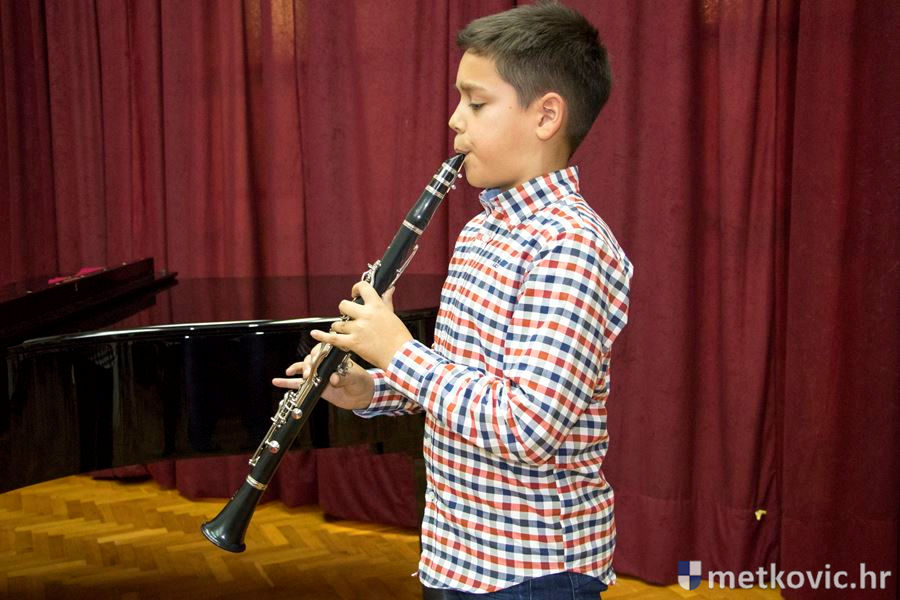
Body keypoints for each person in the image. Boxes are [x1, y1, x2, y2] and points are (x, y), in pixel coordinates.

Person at [273, 2, 632, 598]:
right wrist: (370, 387)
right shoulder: (480, 231)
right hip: (456, 554)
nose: (454, 119)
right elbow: (462, 384)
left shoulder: (570, 246)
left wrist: (398, 351)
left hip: (532, 571)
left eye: (476, 102)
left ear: (546, 116)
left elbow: (526, 426)